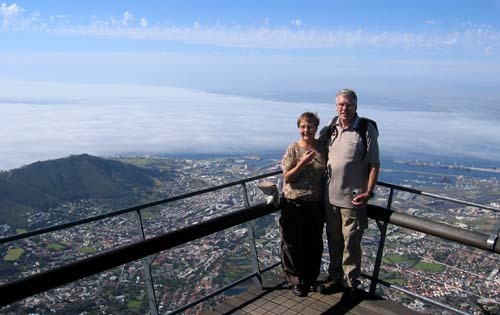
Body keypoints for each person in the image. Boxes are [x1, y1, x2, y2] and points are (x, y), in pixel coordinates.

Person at [318, 88, 380, 299]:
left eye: (349, 105)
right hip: (329, 198)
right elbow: (317, 150)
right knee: (334, 241)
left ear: (356, 106)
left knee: (351, 244)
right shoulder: (331, 128)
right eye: (341, 104)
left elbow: (374, 164)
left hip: (352, 200)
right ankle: (335, 279)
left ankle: (352, 284)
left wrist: (369, 192)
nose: (344, 108)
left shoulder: (365, 129)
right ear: (336, 106)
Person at [280, 112, 326, 297]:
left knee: (314, 243)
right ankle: (296, 280)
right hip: (294, 203)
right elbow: (287, 177)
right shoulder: (293, 149)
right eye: (303, 126)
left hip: (315, 203)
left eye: (311, 126)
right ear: (299, 128)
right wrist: (302, 163)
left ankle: (310, 278)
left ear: (316, 128)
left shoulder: (323, 147)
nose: (306, 130)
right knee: (292, 243)